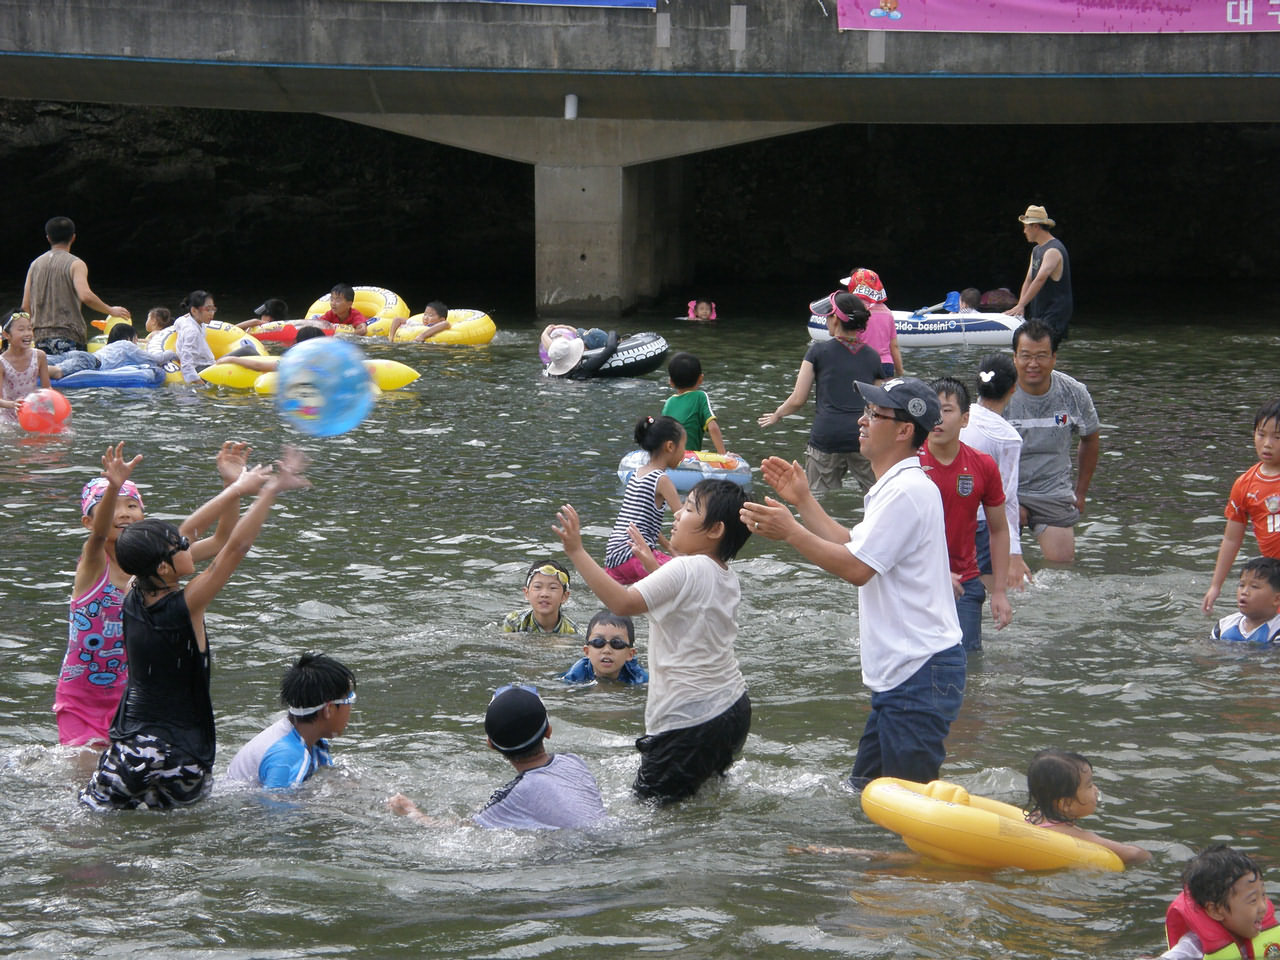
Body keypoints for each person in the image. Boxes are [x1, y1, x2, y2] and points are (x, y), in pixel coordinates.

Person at [743, 377, 965, 789]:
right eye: (865, 412)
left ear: (903, 430)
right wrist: (804, 501)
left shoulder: (907, 490)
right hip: (908, 674)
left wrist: (791, 531)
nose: (862, 421)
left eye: (874, 414)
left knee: (907, 807)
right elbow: (854, 545)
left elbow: (858, 568)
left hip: (919, 671)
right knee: (867, 795)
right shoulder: (895, 487)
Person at [79, 448, 310, 811]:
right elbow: (235, 547)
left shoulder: (129, 593)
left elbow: (183, 533)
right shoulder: (188, 605)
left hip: (125, 751)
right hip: (180, 755)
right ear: (167, 568)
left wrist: (233, 489)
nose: (187, 543)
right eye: (180, 548)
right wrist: (268, 493)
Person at [554, 479, 753, 804]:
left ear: (715, 530)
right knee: (704, 802)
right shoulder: (725, 574)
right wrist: (651, 563)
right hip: (732, 710)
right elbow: (685, 602)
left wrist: (576, 551)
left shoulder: (686, 568)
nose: (677, 515)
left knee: (647, 813)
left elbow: (622, 603)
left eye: (689, 509)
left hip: (687, 722)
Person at [55, 440, 250, 747]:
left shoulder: (153, 565)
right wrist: (114, 486)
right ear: (88, 521)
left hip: (131, 694)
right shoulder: (93, 564)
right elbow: (98, 535)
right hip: (81, 696)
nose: (124, 514)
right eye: (112, 506)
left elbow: (220, 541)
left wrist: (231, 484)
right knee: (84, 772)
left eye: (131, 506)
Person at [387, 684, 608, 830]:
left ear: (491, 744)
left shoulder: (511, 798)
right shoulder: (574, 762)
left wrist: (410, 811)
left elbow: (454, 831)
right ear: (549, 731)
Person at [920, 377, 1013, 653]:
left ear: (965, 419)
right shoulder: (908, 461)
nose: (938, 417)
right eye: (932, 409)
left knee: (968, 669)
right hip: (917, 582)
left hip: (966, 583)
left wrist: (999, 591)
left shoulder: (982, 465)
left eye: (947, 410)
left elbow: (998, 529)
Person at [759, 291, 881, 496]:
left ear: (835, 319)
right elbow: (878, 403)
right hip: (863, 435)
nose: (825, 320)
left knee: (819, 502)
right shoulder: (873, 356)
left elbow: (798, 399)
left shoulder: (817, 351)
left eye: (828, 315)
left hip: (827, 436)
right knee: (876, 498)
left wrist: (778, 414)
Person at [1004, 319, 1101, 564]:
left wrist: (1080, 492)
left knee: (1062, 569)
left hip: (1053, 492)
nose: (1033, 364)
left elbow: (1090, 438)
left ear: (1054, 357)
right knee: (996, 574)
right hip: (1005, 491)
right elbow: (981, 449)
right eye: (1025, 356)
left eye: (1041, 356)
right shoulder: (1000, 391)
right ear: (1014, 357)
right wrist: (1006, 501)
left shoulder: (1073, 392)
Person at [226, 653, 356, 789]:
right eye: (350, 700)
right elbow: (276, 807)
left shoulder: (309, 740)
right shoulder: (288, 756)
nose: (351, 708)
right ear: (329, 709)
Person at [960, 353, 1033, 592]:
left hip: (949, 517)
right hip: (982, 525)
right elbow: (1006, 500)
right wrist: (1014, 554)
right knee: (987, 596)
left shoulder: (955, 417)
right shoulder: (1008, 437)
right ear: (1014, 388)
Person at [1201, 398, 1280, 615]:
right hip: (1275, 577)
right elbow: (1231, 538)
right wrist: (1216, 585)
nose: (1267, 443)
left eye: (1277, 437)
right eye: (1261, 434)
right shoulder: (1244, 484)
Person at [21, 215, 130, 355]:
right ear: (73, 237)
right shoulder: (76, 264)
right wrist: (111, 310)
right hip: (69, 336)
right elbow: (86, 296)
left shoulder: (34, 265)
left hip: (40, 338)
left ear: (48, 238)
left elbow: (25, 306)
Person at [1022, 750, 1150, 866]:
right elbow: (1133, 855)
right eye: (1089, 786)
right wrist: (1147, 856)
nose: (1096, 790)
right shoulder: (1076, 836)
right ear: (1066, 804)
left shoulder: (1036, 817)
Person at [1158, 845, 1280, 960]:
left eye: (1263, 895)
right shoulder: (1193, 949)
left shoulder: (1268, 934)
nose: (1263, 907)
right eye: (1253, 900)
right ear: (1216, 910)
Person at [603, 415, 685, 584]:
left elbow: (646, 524)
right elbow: (683, 519)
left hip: (613, 558)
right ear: (670, 446)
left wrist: (669, 547)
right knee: (685, 575)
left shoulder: (638, 474)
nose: (684, 453)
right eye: (684, 447)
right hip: (635, 556)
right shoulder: (662, 480)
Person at [1004, 204, 1073, 346]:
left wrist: (1022, 304)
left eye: (1026, 227)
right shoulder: (1036, 250)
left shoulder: (1053, 250)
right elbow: (1029, 279)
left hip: (1055, 310)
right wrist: (1020, 305)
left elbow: (1040, 279)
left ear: (1035, 226)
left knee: (1043, 347)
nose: (1024, 231)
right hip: (1039, 309)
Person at [662, 352, 726, 455]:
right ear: (700, 379)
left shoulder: (668, 403)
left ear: (671, 382)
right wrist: (723, 456)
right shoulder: (700, 396)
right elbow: (712, 427)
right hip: (689, 459)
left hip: (669, 457)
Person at [845, 267, 903, 378]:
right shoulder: (887, 312)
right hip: (886, 365)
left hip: (862, 363)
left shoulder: (854, 311)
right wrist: (900, 372)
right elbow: (894, 346)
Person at [561, 611, 648, 684]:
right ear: (587, 651)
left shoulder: (638, 677)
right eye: (598, 642)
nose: (607, 650)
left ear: (630, 654)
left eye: (617, 643)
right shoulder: (574, 676)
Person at [1208, 556, 1280, 644]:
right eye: (1241, 585)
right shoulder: (1223, 626)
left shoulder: (1277, 630)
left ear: (1277, 599)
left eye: (1254, 586)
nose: (1244, 592)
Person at [501, 560, 578, 635]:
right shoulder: (514, 622)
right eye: (537, 587)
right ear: (527, 593)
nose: (544, 594)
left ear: (564, 596)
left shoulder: (573, 632)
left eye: (553, 588)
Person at [209, 325, 327, 373]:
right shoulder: (326, 361)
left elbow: (259, 366)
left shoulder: (295, 362)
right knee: (249, 350)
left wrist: (233, 359)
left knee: (248, 350)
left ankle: (209, 368)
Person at [0, 310, 51, 420]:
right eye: (21, 330)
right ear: (6, 335)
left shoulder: (40, 356)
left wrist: (56, 403)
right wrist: (13, 404)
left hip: (33, 413)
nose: (27, 333)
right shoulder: (1, 362)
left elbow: (47, 389)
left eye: (29, 328)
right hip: (8, 417)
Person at [79, 322, 178, 372]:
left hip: (84, 359)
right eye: (136, 340)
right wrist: (174, 354)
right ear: (128, 338)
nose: (136, 344)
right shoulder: (126, 345)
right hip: (91, 363)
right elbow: (157, 359)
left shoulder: (108, 348)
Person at [172, 290, 218, 384]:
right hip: (202, 369)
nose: (212, 313)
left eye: (213, 309)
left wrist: (190, 314)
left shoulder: (185, 321)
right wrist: (197, 381)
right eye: (208, 309)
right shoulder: (192, 331)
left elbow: (177, 322)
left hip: (207, 364)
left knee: (245, 351)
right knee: (247, 351)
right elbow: (186, 360)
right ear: (194, 310)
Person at [542, 331, 619, 380]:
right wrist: (612, 332)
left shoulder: (552, 375)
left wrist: (544, 334)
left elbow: (556, 351)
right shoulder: (584, 369)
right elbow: (611, 348)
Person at [387, 300, 451, 343]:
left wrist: (422, 336)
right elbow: (397, 319)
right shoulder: (418, 325)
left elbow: (446, 324)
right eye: (425, 314)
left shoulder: (441, 325)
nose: (426, 317)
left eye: (430, 315)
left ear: (441, 319)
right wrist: (391, 337)